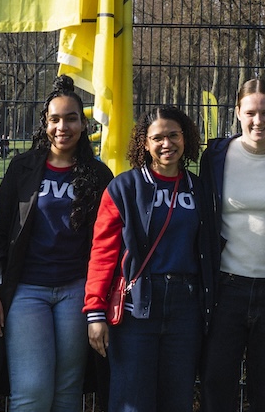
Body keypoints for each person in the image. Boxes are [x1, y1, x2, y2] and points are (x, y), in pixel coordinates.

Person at [0, 77, 115, 412]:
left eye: (71, 118)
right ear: (44, 123)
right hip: (27, 291)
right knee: (32, 391)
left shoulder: (99, 175)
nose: (62, 126)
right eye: (55, 119)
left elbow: (108, 241)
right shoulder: (22, 169)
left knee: (67, 392)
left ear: (84, 124)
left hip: (76, 293)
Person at [84, 105, 204, 412]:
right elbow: (103, 252)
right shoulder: (124, 187)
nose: (167, 144)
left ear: (186, 138)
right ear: (145, 144)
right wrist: (95, 312)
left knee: (177, 399)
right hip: (137, 308)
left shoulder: (200, 189)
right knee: (131, 400)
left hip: (185, 307)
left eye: (174, 135)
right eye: (158, 138)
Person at [197, 77, 265, 412]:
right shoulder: (215, 158)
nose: (258, 120)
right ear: (237, 113)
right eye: (250, 112)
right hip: (226, 289)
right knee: (217, 387)